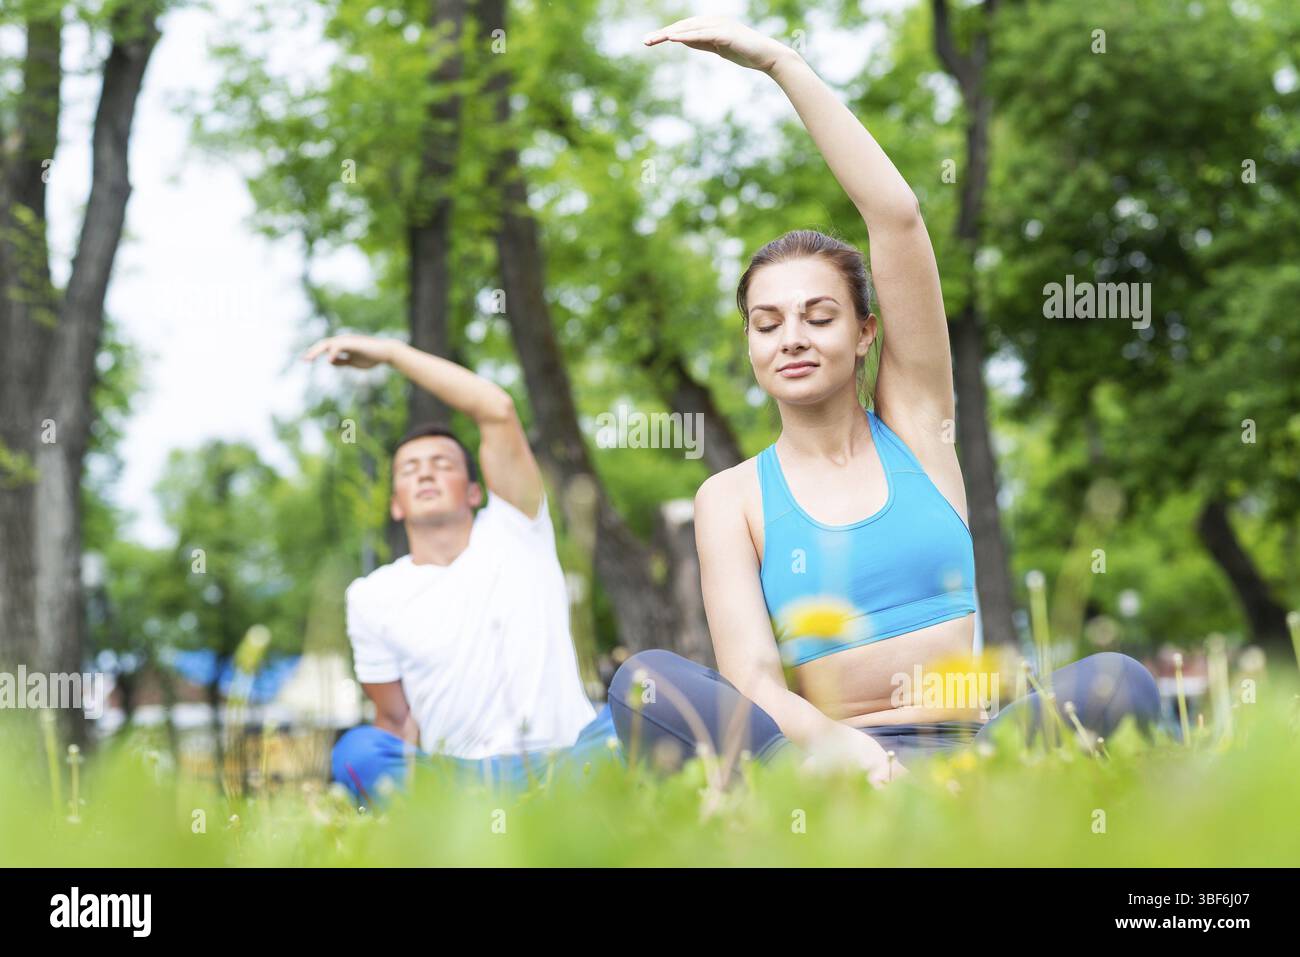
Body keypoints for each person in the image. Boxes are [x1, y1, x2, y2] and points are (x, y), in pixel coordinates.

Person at [609, 17, 1166, 788]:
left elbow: (897, 215)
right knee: (644, 682)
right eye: (767, 323)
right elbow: (755, 680)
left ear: (867, 331)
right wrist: (857, 758)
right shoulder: (729, 497)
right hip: (828, 767)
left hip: (972, 758)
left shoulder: (919, 427)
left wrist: (780, 62)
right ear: (749, 343)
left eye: (819, 315)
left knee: (1119, 681)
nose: (792, 338)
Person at [302, 334, 618, 802]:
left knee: (651, 688)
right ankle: (459, 824)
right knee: (358, 749)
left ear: (474, 492)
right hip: (460, 782)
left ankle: (560, 807)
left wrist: (390, 353)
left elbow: (495, 410)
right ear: (395, 503)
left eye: (442, 464)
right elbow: (391, 720)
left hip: (569, 761)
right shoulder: (370, 596)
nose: (425, 473)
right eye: (409, 469)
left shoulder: (517, 527)